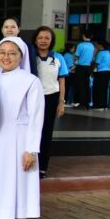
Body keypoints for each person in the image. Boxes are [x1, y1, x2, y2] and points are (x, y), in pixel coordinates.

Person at [0, 37, 44, 219]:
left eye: (12, 53)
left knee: (20, 186)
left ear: (21, 56)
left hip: (20, 140)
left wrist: (31, 149)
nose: (6, 57)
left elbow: (36, 118)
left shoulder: (31, 81)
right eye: (2, 52)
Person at [33, 26, 68, 178]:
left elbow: (62, 81)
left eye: (47, 38)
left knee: (46, 132)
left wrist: (61, 102)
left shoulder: (58, 58)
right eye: (40, 38)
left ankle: (42, 167)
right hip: (33, 98)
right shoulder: (30, 57)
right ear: (35, 40)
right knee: (32, 130)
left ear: (52, 40)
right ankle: (31, 164)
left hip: (51, 98)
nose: (43, 41)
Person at [72, 31, 95, 109]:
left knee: (79, 85)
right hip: (88, 67)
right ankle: (87, 103)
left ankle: (80, 102)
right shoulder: (92, 46)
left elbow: (76, 57)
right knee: (87, 84)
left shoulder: (80, 45)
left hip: (80, 67)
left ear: (84, 36)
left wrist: (75, 65)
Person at [93, 40, 110, 109]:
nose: (97, 46)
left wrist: (91, 71)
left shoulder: (100, 53)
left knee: (98, 89)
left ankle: (98, 105)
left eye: (98, 45)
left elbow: (96, 63)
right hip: (107, 72)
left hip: (100, 73)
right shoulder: (108, 53)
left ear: (101, 45)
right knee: (104, 89)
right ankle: (104, 105)